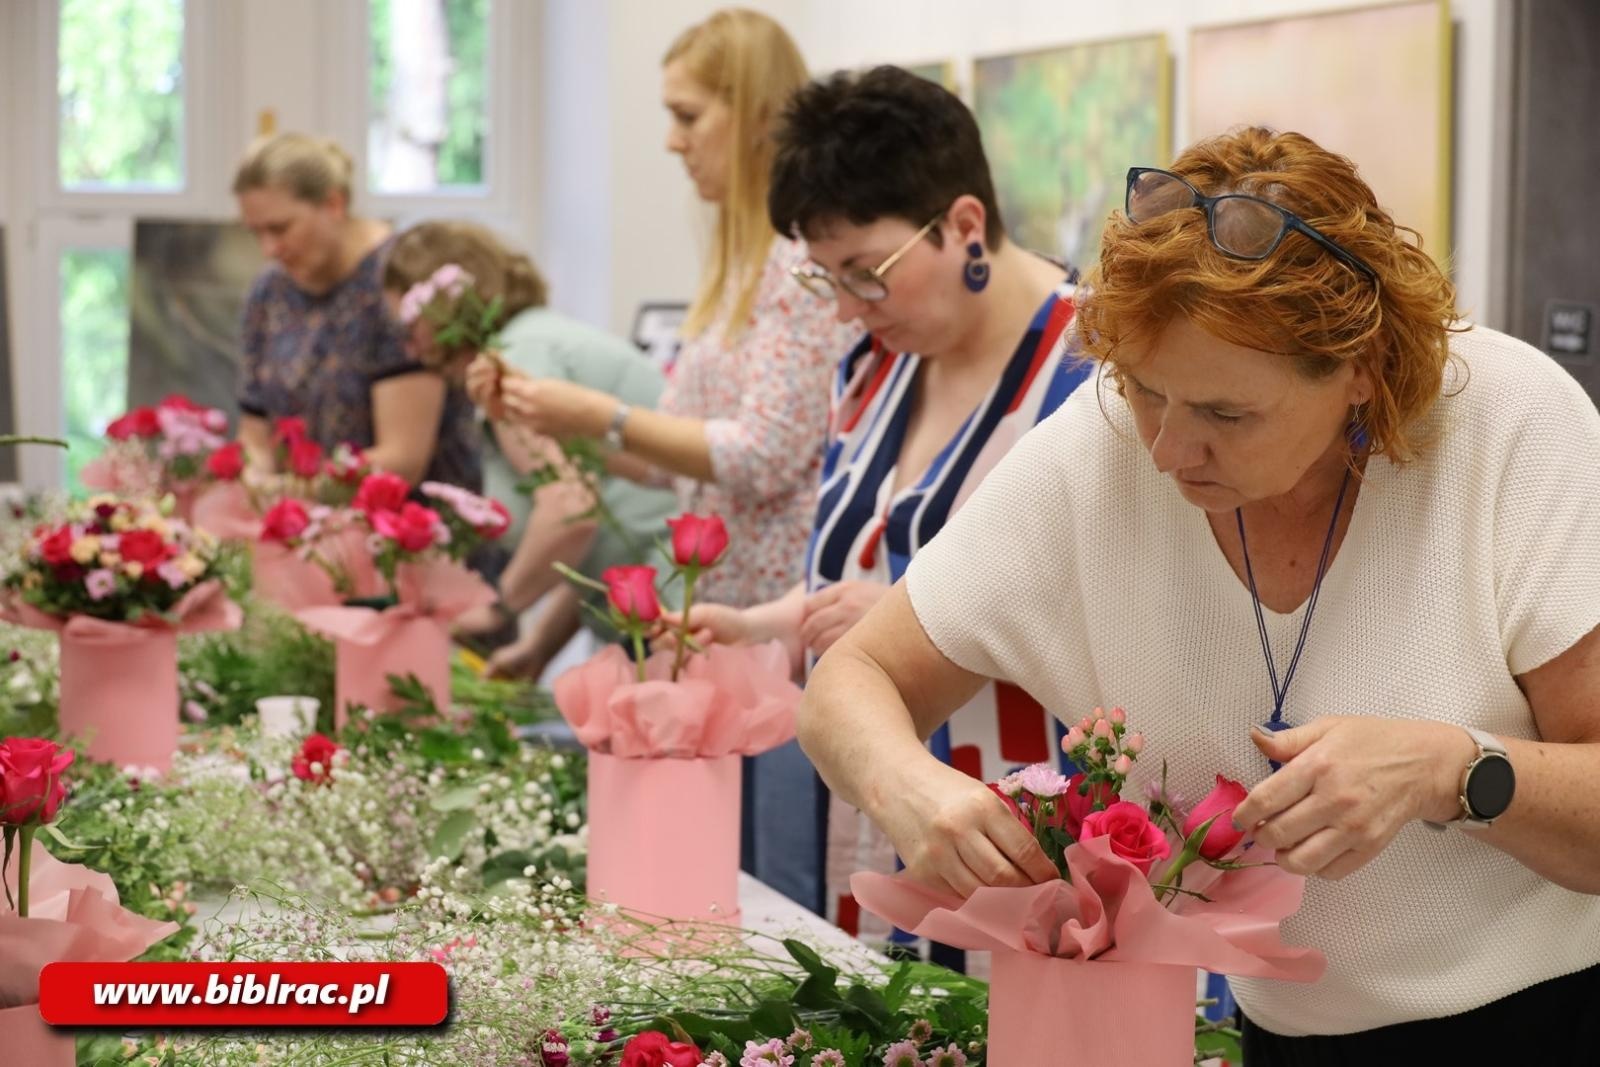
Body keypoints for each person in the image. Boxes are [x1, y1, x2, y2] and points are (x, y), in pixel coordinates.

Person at [797, 127, 1600, 1059]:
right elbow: (849, 679)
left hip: (1551, 1020)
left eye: (1228, 413)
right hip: (1281, 1029)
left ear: (1362, 371)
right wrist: (906, 786)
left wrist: (1452, 769)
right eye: (1142, 390)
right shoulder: (1095, 451)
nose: (1170, 450)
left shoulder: (1511, 426)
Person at [662, 66, 1092, 929]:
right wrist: (770, 624)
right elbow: (865, 563)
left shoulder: (1092, 376)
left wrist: (924, 623)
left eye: (866, 272)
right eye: (826, 279)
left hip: (1015, 842)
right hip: (871, 826)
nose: (850, 308)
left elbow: (1135, 620)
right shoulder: (873, 369)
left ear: (963, 225)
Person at [470, 8, 857, 609]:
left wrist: (600, 414)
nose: (673, 141)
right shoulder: (740, 263)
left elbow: (762, 457)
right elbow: (667, 467)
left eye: (689, 117)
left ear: (759, 116)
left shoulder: (804, 259)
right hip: (728, 608)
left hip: (783, 618)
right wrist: (542, 413)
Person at [382, 220, 679, 679]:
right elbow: (598, 537)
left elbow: (571, 511)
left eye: (408, 322)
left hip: (678, 604)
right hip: (657, 602)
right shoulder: (530, 339)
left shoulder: (511, 361)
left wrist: (497, 608)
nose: (407, 345)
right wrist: (540, 646)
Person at [233, 132, 479, 489]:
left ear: (334, 204)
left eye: (280, 228)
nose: (268, 248)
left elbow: (404, 460)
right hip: (307, 517)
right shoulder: (268, 293)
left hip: (411, 529)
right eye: (256, 232)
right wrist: (255, 477)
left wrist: (293, 492)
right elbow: (254, 430)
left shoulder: (398, 282)